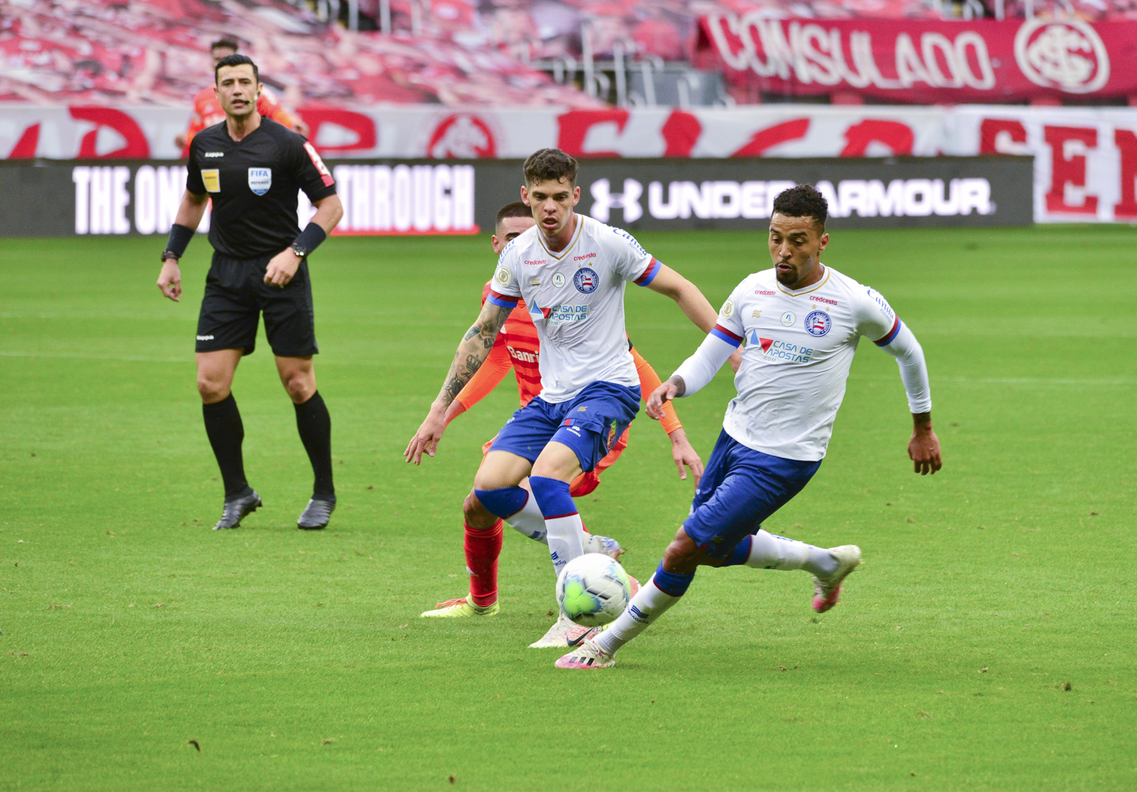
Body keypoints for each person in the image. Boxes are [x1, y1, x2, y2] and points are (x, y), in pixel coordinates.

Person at [556, 184, 944, 670]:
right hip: (734, 438)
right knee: (714, 550)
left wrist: (923, 427)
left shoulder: (854, 301)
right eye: (776, 238)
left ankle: (604, 646)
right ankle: (826, 563)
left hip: (786, 457)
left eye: (798, 240)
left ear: (822, 242)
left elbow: (910, 352)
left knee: (683, 548)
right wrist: (675, 384)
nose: (784, 251)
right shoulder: (751, 290)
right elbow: (712, 354)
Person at [406, 148, 728, 648]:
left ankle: (574, 614)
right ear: (526, 196)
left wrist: (728, 347)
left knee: (546, 476)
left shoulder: (607, 243)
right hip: (552, 398)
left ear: (575, 195)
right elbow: (482, 334)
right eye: (540, 197)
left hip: (608, 389)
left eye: (560, 196)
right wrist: (437, 410)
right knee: (488, 488)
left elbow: (679, 288)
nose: (550, 207)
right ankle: (591, 550)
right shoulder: (518, 255)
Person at [155, 54, 344, 531]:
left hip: (282, 274)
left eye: (245, 82)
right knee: (209, 384)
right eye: (228, 83)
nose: (237, 90)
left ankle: (323, 492)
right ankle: (237, 492)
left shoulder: (289, 144)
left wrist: (295, 253)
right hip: (227, 275)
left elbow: (330, 206)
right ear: (216, 92)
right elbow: (194, 199)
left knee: (298, 383)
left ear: (259, 90)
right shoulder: (204, 144)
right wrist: (172, 256)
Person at [175, 39, 308, 159]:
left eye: (226, 58)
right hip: (218, 161)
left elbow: (278, 113)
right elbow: (197, 132)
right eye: (217, 59)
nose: (221, 63)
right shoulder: (202, 97)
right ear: (211, 63)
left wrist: (293, 123)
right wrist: (186, 139)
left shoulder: (255, 92)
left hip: (251, 157)